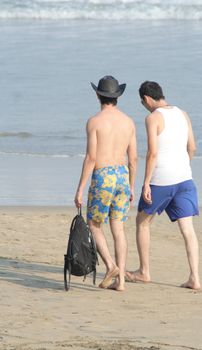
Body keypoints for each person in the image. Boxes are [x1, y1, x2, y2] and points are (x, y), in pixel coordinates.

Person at [126, 81, 201, 290]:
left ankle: (144, 272)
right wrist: (183, 166)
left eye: (143, 102)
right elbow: (192, 147)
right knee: (188, 230)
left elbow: (152, 153)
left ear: (147, 99)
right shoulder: (182, 113)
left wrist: (146, 183)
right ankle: (195, 277)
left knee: (142, 221)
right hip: (185, 178)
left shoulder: (153, 118)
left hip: (162, 179)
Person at [74, 75, 137, 291]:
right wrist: (131, 185)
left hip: (103, 176)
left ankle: (111, 265)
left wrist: (80, 188)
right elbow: (134, 158)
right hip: (122, 174)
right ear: (117, 96)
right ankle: (120, 283)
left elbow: (91, 157)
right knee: (118, 227)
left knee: (94, 224)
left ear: (97, 95)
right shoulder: (129, 122)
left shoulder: (94, 122)